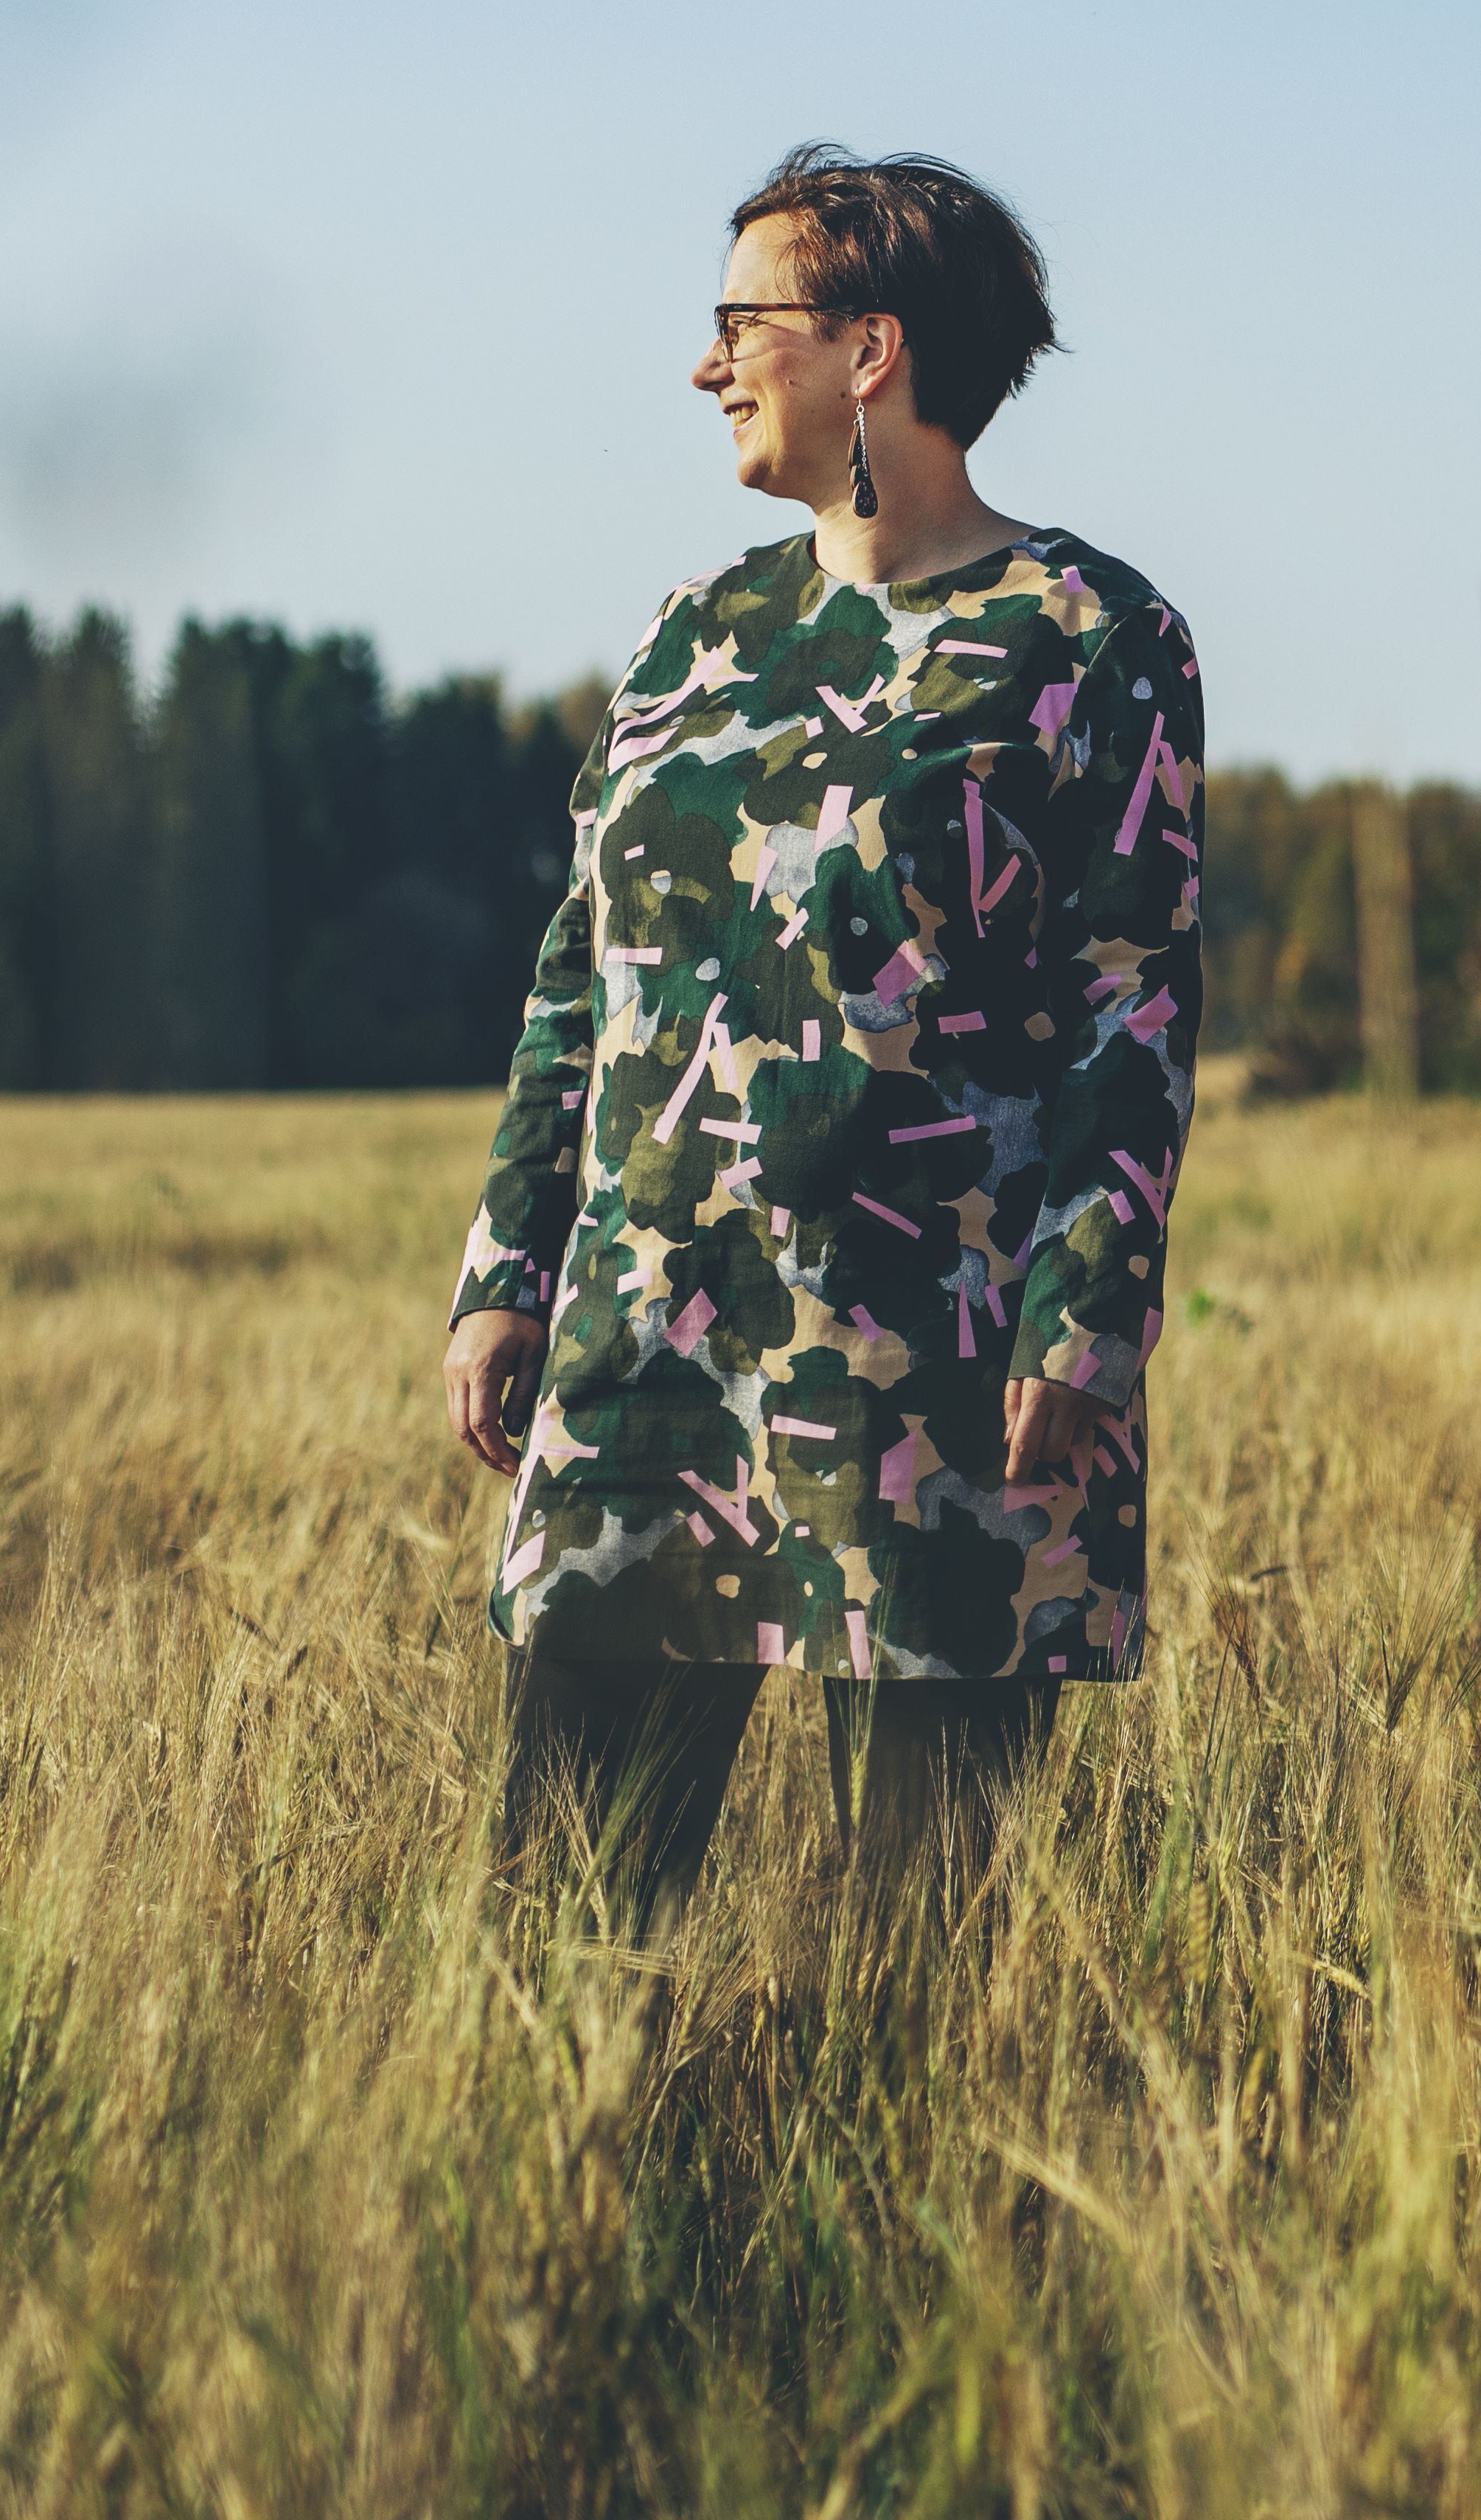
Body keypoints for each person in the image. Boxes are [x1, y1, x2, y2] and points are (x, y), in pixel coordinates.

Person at [439, 144, 1199, 1921]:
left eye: (741, 321)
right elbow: (579, 967)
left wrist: (1087, 1315)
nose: (706, 365)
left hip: (943, 1361)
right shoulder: (693, 635)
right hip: (649, 1345)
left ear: (872, 347)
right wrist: (508, 1264)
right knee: (563, 1919)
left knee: (917, 1939)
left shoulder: (1089, 637)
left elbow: (1135, 996)